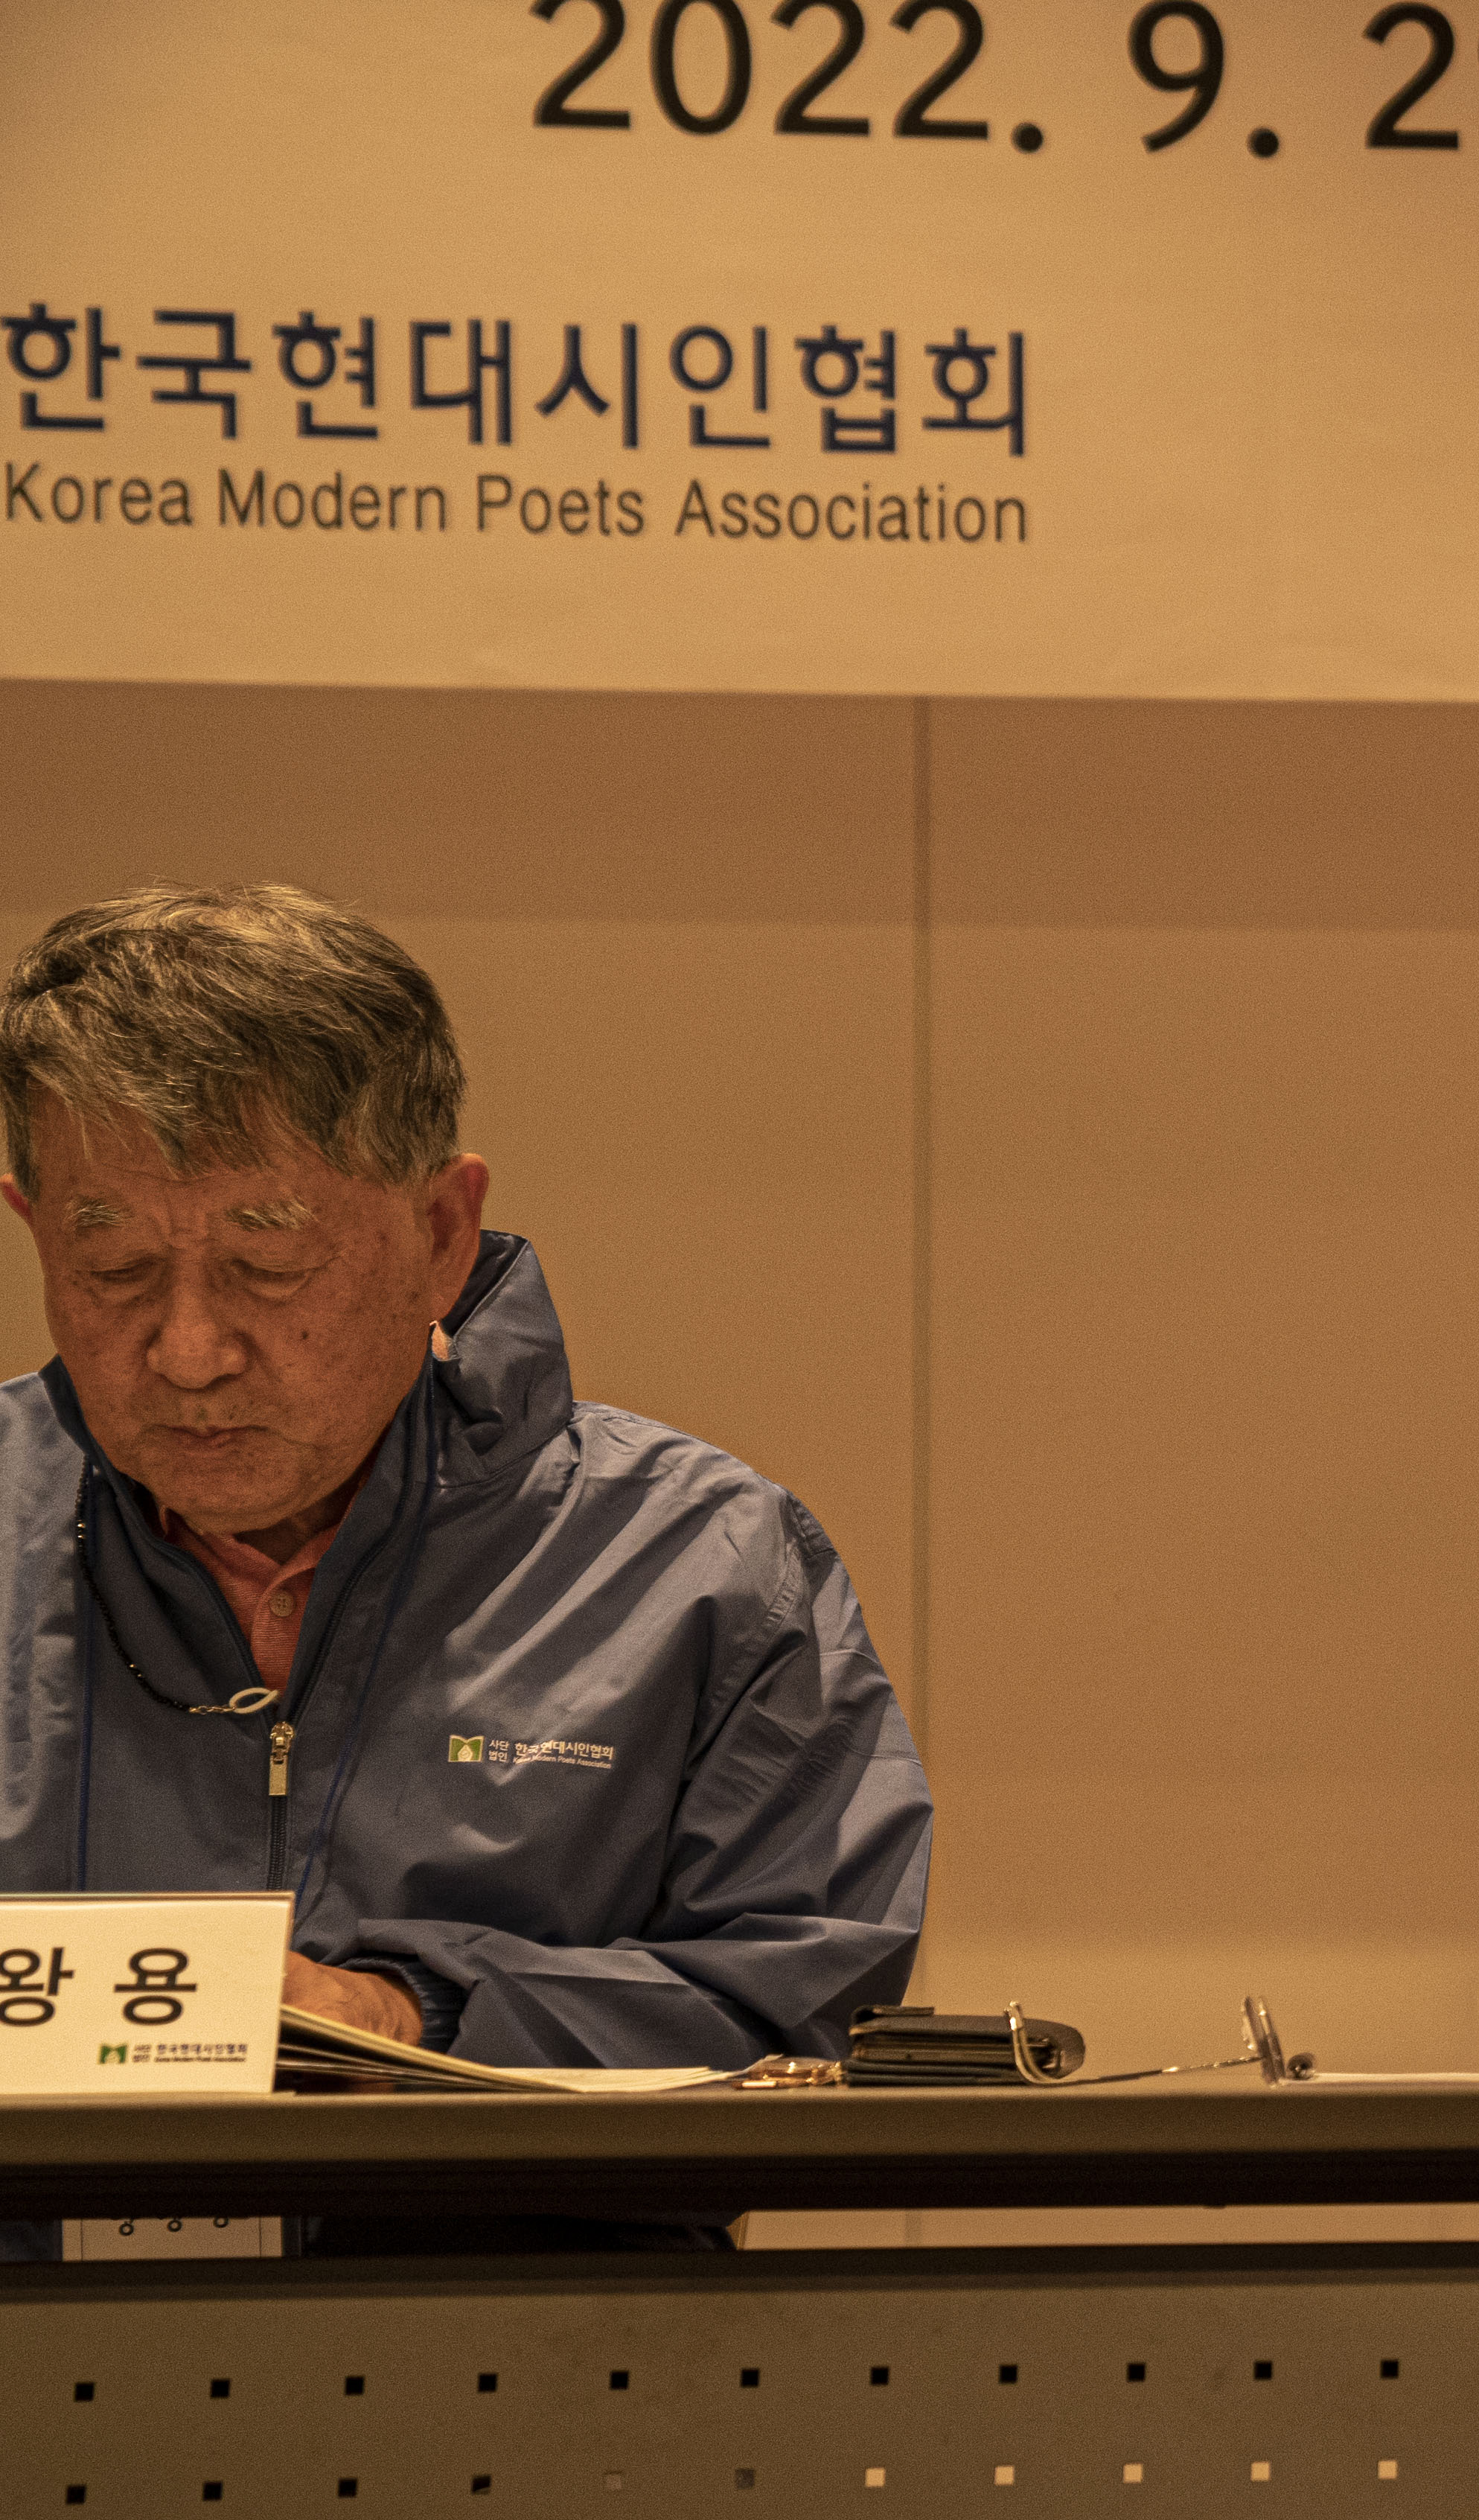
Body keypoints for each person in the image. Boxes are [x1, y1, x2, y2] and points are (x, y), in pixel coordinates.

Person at [0, 885, 930, 2119]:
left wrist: (407, 2020)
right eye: (113, 1266)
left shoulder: (700, 1566)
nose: (189, 1350)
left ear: (442, 1231)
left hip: (509, 2252)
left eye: (267, 1264)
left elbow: (804, 2009)